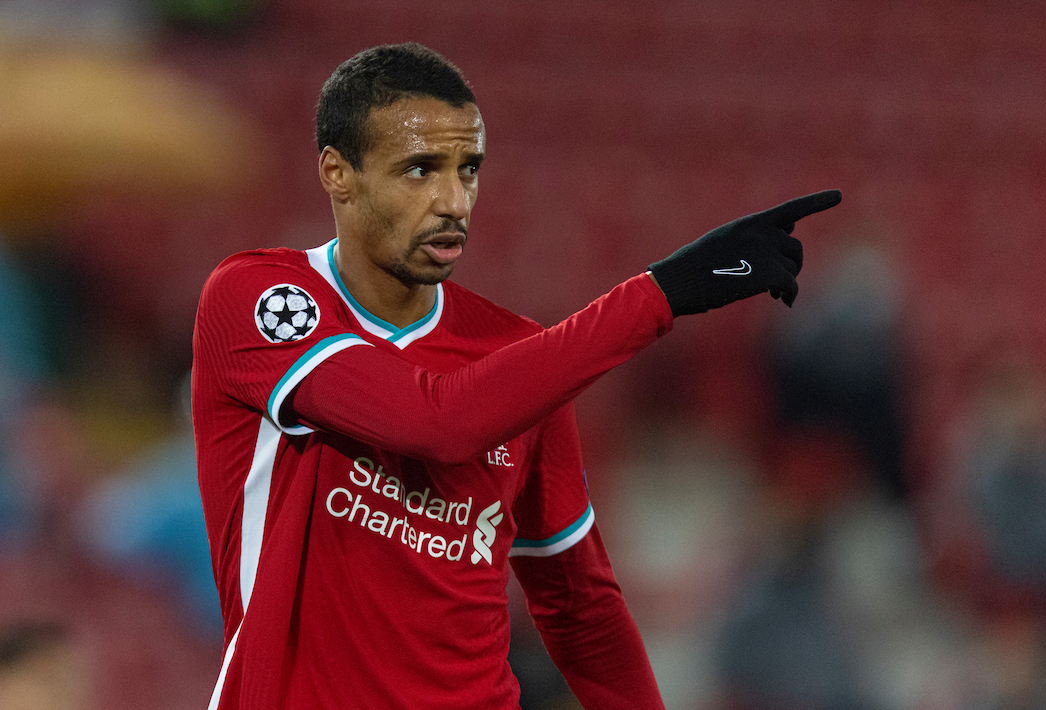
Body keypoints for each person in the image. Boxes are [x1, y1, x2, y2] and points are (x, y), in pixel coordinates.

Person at [191, 42, 840, 710]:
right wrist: (659, 294)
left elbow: (579, 606)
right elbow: (434, 422)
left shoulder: (517, 358)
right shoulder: (260, 298)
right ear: (338, 173)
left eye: (467, 169)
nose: (453, 200)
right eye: (420, 169)